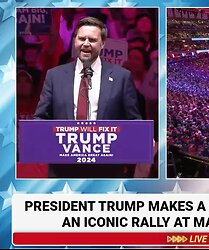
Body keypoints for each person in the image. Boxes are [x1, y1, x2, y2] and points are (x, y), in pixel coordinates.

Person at [33, 16, 142, 178]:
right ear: (75, 40)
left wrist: (141, 137)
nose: (86, 43)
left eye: (92, 39)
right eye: (81, 38)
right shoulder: (54, 75)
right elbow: (41, 118)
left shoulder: (122, 77)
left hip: (107, 169)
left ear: (103, 43)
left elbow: (134, 121)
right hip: (62, 169)